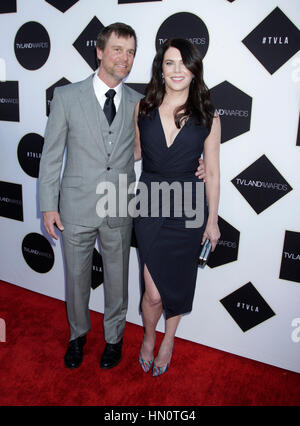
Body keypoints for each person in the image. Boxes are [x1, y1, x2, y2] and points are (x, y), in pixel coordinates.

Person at [38, 22, 207, 371]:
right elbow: (52, 155)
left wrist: (196, 160)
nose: (124, 58)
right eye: (117, 49)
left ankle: (114, 339)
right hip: (76, 206)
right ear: (99, 51)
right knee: (76, 279)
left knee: (118, 280)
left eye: (130, 52)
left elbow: (148, 150)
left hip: (120, 203)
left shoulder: (140, 102)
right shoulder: (67, 97)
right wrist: (48, 206)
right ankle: (77, 335)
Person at [134, 38, 221, 376]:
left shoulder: (209, 116)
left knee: (179, 282)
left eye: (184, 63)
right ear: (161, 68)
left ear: (194, 69)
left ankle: (168, 340)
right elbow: (137, 152)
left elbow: (211, 172)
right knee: (153, 292)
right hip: (151, 201)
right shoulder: (142, 107)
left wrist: (211, 220)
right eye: (169, 63)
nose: (176, 70)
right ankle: (148, 336)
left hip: (188, 205)